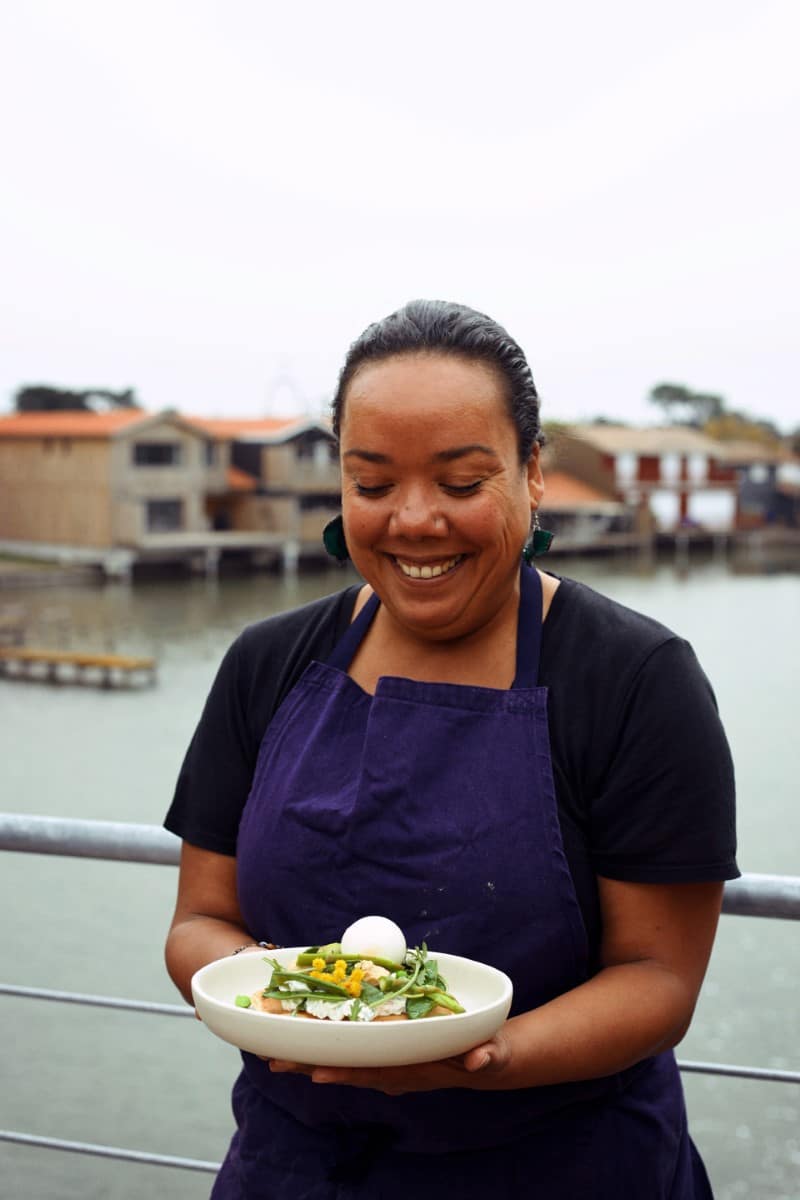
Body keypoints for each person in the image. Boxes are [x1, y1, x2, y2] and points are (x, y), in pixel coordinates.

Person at [164, 299, 738, 1198]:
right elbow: (199, 921)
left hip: (563, 1166)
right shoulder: (266, 664)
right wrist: (306, 1006)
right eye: (372, 483)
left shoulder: (634, 679)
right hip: (295, 1167)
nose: (414, 521)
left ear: (533, 471)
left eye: (463, 483)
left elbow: (658, 976)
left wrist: (481, 1055)